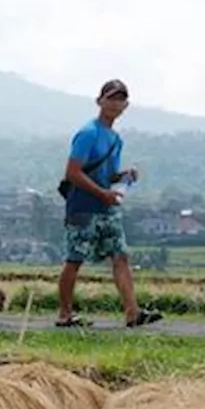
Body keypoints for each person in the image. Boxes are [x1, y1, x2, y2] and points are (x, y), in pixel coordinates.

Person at [56, 79, 164, 328]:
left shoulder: (115, 138)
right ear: (100, 101)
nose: (116, 103)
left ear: (126, 105)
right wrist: (101, 192)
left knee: (120, 256)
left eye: (121, 99)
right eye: (112, 98)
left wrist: (123, 176)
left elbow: (106, 175)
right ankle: (65, 313)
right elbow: (73, 172)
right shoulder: (88, 133)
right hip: (83, 206)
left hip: (106, 206)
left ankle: (132, 312)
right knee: (74, 259)